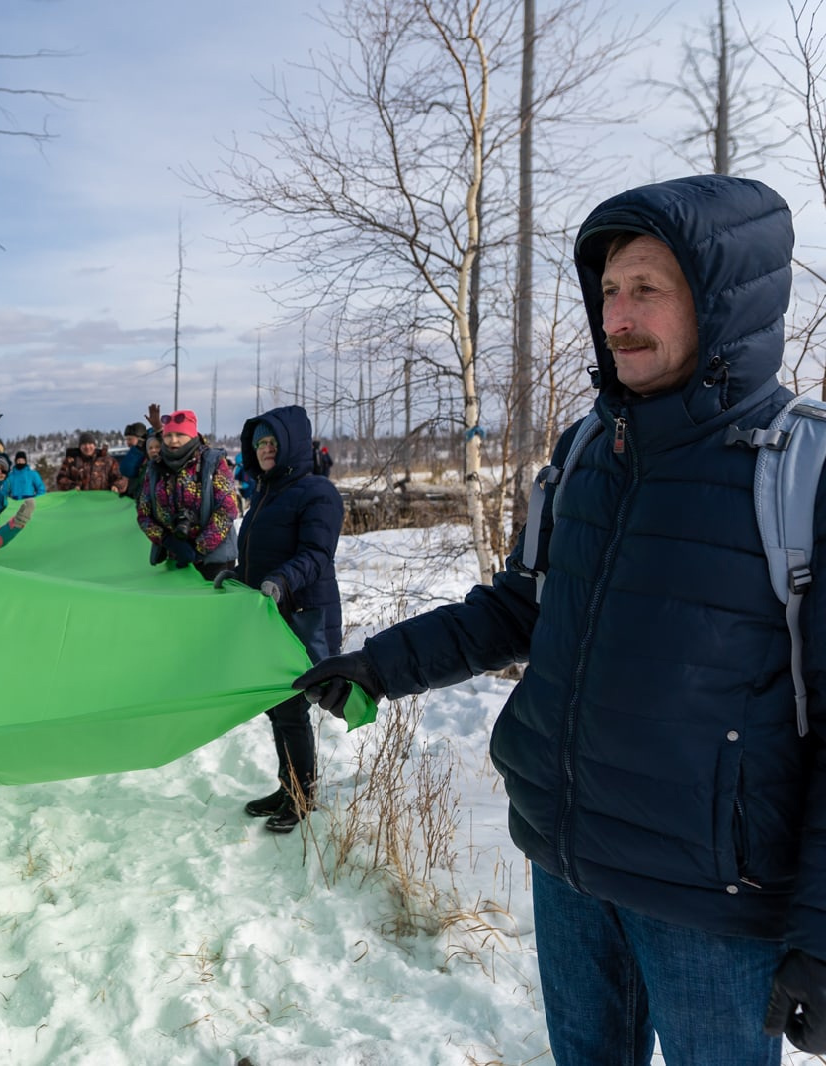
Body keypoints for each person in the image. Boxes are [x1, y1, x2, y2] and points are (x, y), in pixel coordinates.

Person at [296, 175, 826, 1065]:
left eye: (647, 290)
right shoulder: (590, 451)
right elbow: (519, 608)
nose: (617, 316)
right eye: (610, 291)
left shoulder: (797, 469)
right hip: (571, 867)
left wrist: (818, 926)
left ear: (723, 303)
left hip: (712, 906)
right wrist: (377, 667)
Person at [225, 406, 343, 834]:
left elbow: (315, 555)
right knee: (278, 708)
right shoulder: (265, 492)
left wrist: (279, 581)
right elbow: (259, 555)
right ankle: (286, 786)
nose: (265, 450)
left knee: (292, 708)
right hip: (270, 614)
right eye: (259, 444)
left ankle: (302, 795)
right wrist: (237, 576)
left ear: (291, 443)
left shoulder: (317, 492)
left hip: (302, 614)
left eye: (272, 442)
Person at [135, 409, 239, 582]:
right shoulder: (155, 467)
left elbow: (227, 510)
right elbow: (143, 513)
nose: (173, 440)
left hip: (213, 562)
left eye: (180, 434)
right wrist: (167, 540)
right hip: (173, 559)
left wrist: (198, 548)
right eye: (169, 435)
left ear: (191, 436)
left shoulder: (212, 463)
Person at [55, 430, 126, 492]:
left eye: (90, 444)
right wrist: (72, 486)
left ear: (95, 446)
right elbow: (60, 479)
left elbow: (122, 478)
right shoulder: (71, 461)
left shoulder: (108, 461)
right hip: (78, 503)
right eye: (84, 444)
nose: (87, 447)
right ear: (80, 446)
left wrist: (116, 486)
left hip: (102, 503)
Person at [117, 420, 149, 499]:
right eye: (126, 440)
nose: (128, 443)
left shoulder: (145, 456)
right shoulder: (133, 454)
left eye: (130, 439)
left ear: (140, 439)